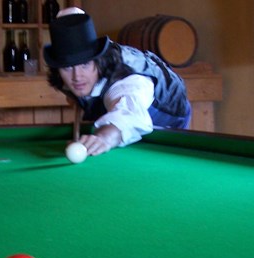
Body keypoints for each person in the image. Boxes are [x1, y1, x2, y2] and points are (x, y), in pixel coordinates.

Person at [44, 8, 192, 156]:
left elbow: (129, 115)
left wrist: (103, 138)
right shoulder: (73, 76)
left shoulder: (125, 80)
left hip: (166, 114)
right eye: (67, 67)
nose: (77, 76)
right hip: (115, 108)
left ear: (98, 60)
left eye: (85, 64)